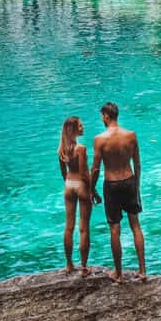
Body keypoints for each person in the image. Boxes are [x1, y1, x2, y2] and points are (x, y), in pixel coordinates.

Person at [90, 101, 146, 283]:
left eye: (102, 116)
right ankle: (143, 270)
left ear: (106, 116)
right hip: (129, 180)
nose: (101, 119)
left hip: (112, 184)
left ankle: (119, 274)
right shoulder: (131, 135)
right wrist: (136, 184)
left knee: (115, 229)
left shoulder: (100, 139)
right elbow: (137, 163)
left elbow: (96, 169)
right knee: (135, 226)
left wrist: (91, 189)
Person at [58, 116, 93, 275]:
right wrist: (93, 191)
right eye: (80, 125)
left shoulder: (61, 149)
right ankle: (84, 267)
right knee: (83, 228)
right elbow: (85, 173)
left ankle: (69, 265)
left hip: (69, 185)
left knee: (68, 226)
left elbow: (63, 174)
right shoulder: (81, 148)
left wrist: (69, 182)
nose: (83, 127)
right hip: (80, 185)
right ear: (73, 129)